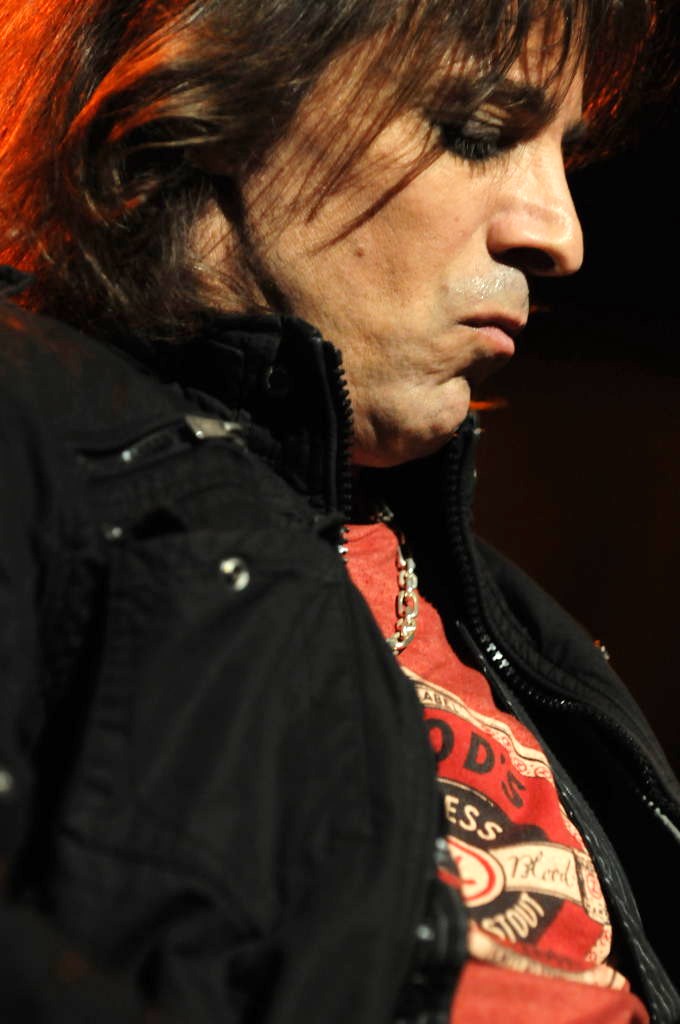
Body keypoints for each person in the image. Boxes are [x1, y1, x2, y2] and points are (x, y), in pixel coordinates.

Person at [0, 0, 678, 1021]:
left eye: (563, 155)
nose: (561, 235)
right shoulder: (31, 438)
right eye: (476, 128)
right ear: (217, 88)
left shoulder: (527, 636)